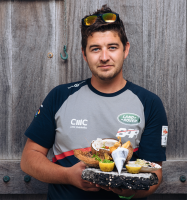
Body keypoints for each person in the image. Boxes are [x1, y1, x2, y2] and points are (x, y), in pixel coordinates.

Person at [21, 5, 168, 200]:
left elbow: (155, 174)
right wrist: (68, 176)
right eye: (95, 49)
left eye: (112, 47)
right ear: (84, 54)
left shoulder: (149, 103)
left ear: (126, 49)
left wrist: (128, 189)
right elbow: (29, 158)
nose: (104, 57)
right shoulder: (60, 96)